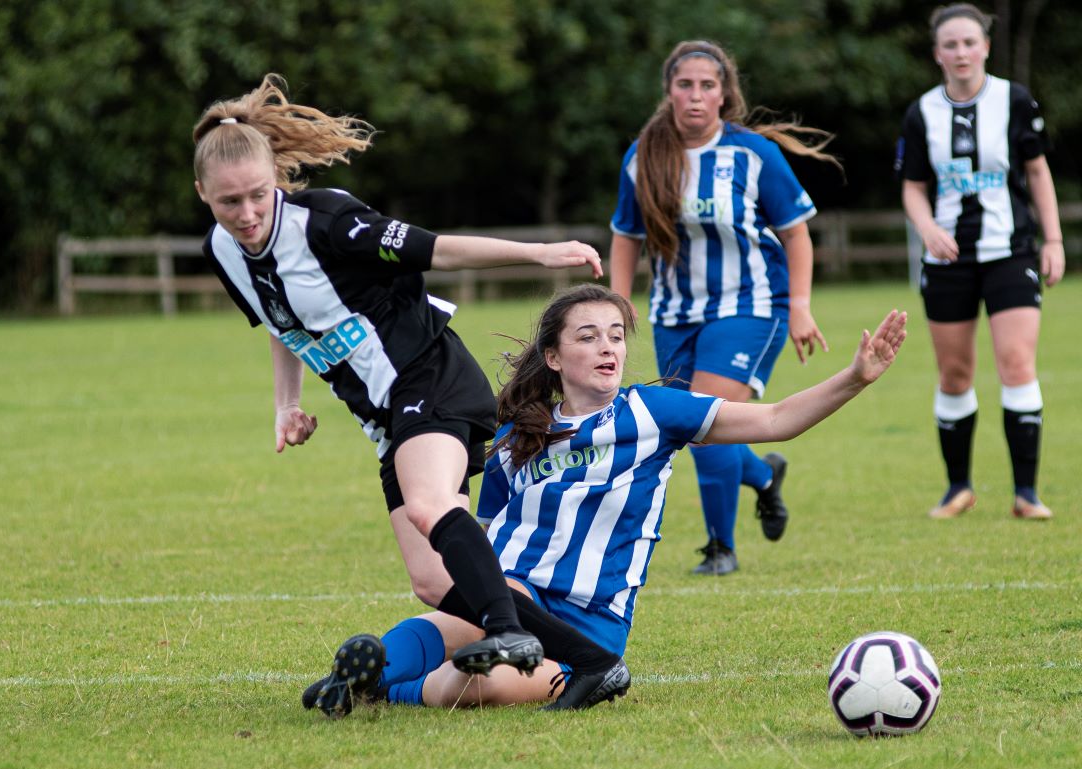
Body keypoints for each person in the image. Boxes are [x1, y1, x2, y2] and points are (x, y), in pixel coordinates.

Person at [303, 284, 907, 716]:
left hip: (591, 624)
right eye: (587, 337)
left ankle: (386, 686)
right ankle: (371, 666)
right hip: (512, 597)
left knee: (468, 689)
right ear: (554, 357)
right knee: (463, 616)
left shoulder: (653, 411)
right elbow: (480, 537)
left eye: (615, 336)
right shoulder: (516, 436)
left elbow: (775, 419)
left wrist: (854, 377)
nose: (606, 347)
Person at [193, 74, 614, 687]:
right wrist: (288, 403)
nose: (248, 213)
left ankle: (508, 632)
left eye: (258, 195)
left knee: (428, 504)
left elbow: (438, 249)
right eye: (230, 202)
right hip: (388, 416)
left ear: (275, 180)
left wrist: (539, 253)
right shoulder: (223, 252)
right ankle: (595, 662)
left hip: (432, 376)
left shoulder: (329, 223)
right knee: (434, 581)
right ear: (203, 192)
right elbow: (280, 324)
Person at [609, 40, 842, 576]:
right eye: (684, 85)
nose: (695, 95)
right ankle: (762, 477)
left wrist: (801, 306)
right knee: (691, 427)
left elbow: (797, 234)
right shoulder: (643, 155)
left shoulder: (754, 154)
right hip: (673, 312)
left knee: (708, 419)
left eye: (707, 85)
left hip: (752, 306)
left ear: (724, 94)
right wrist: (618, 303)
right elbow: (625, 235)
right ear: (669, 92)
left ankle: (721, 549)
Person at [897, 4, 1064, 520]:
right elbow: (913, 187)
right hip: (949, 262)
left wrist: (1053, 239)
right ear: (937, 54)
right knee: (954, 374)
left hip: (1010, 253)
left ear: (985, 47)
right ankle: (958, 488)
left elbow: (1037, 172)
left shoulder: (1013, 100)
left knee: (1016, 364)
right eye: (951, 44)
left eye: (970, 42)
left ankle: (1026, 494)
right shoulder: (922, 112)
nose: (961, 52)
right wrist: (927, 229)